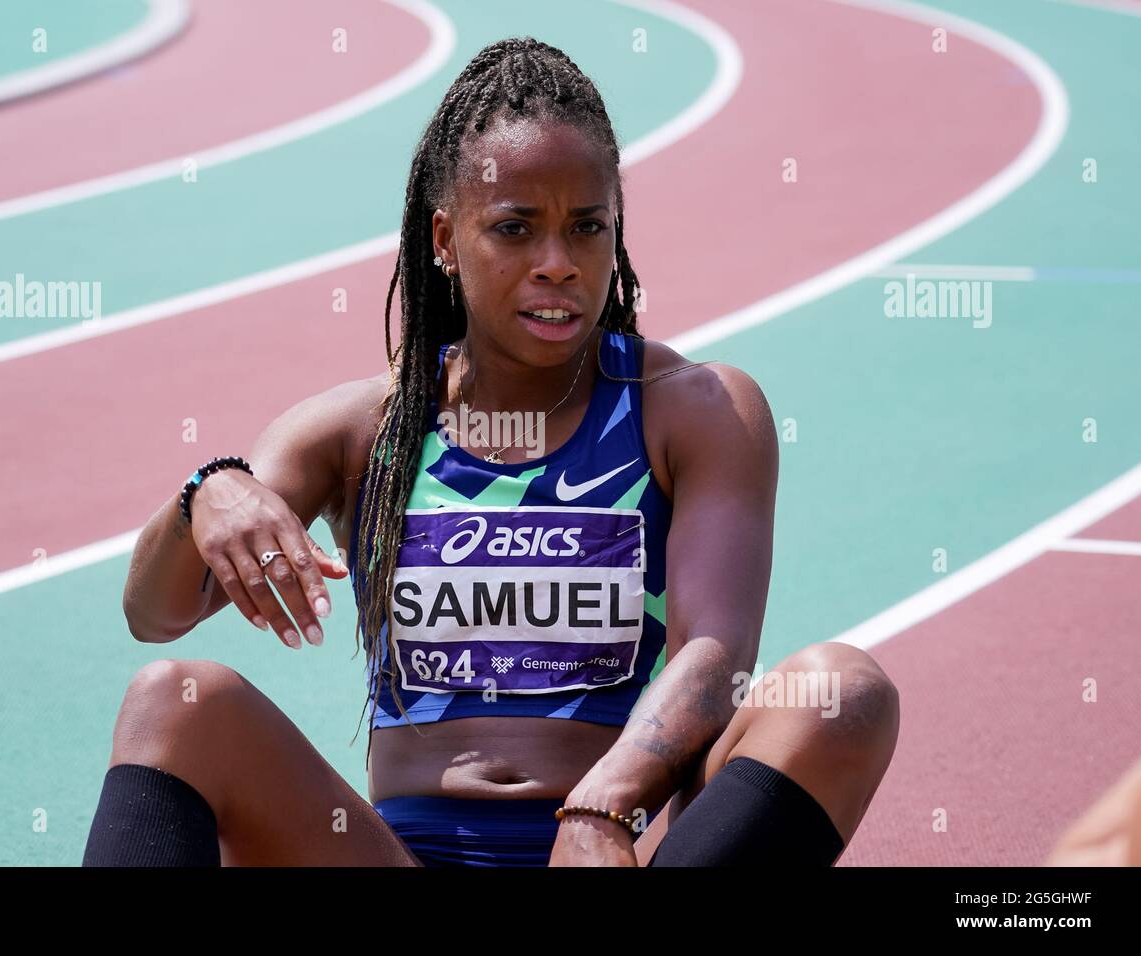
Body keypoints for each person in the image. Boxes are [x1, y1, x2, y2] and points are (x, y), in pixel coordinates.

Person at [82, 37, 899, 867]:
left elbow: (716, 652)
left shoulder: (692, 410)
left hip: (612, 849)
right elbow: (155, 612)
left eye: (588, 228)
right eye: (515, 229)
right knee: (175, 702)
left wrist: (604, 804)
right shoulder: (362, 429)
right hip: (404, 856)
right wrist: (209, 493)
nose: (559, 265)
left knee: (841, 691)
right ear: (445, 238)